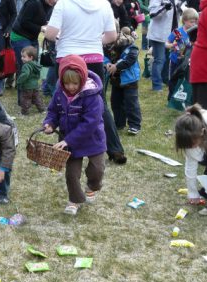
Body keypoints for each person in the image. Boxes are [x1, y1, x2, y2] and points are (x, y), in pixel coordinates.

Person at [45, 0, 127, 165]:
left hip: (67, 56)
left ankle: (66, 145)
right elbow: (112, 36)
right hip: (93, 56)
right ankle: (115, 149)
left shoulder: (63, 4)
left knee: (64, 101)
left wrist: (63, 36)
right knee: (99, 103)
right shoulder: (104, 4)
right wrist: (94, 41)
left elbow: (50, 34)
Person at [43, 55, 106, 215]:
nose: (70, 87)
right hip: (69, 141)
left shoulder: (92, 96)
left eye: (75, 83)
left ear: (83, 79)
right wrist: (50, 123)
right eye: (66, 83)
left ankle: (92, 186)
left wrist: (67, 140)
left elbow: (89, 124)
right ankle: (75, 200)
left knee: (97, 169)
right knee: (71, 174)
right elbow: (53, 111)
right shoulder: (59, 93)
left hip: (92, 139)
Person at [104, 26, 142, 134]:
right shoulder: (105, 45)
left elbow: (131, 58)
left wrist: (117, 66)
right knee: (115, 102)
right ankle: (119, 123)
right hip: (116, 79)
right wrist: (107, 64)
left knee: (131, 102)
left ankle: (134, 125)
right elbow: (104, 56)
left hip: (129, 79)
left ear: (116, 32)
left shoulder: (127, 43)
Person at [11, 0, 56, 72]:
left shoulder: (51, 6)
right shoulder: (33, 3)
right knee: (26, 66)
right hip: (20, 36)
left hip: (33, 38)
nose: (54, 1)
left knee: (33, 66)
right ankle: (20, 81)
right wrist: (40, 28)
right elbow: (24, 22)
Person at [147, 0, 182, 92]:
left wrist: (181, 7)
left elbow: (182, 14)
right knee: (160, 59)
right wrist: (164, 8)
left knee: (168, 58)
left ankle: (165, 80)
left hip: (173, 33)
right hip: (159, 33)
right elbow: (152, 14)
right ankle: (157, 85)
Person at [165, 8, 197, 99]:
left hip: (187, 61)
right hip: (175, 60)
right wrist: (172, 45)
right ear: (184, 20)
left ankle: (182, 98)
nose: (193, 24)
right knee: (173, 79)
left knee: (185, 80)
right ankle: (171, 97)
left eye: (195, 22)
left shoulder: (195, 32)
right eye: (191, 22)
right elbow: (166, 44)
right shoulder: (177, 32)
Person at [16, 46, 45, 115]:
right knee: (36, 97)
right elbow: (38, 75)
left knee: (25, 99)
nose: (21, 58)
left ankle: (24, 112)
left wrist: (19, 80)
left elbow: (25, 74)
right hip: (35, 85)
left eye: (24, 56)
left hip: (27, 86)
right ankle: (42, 109)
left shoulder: (26, 65)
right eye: (21, 56)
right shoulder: (35, 64)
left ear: (31, 57)